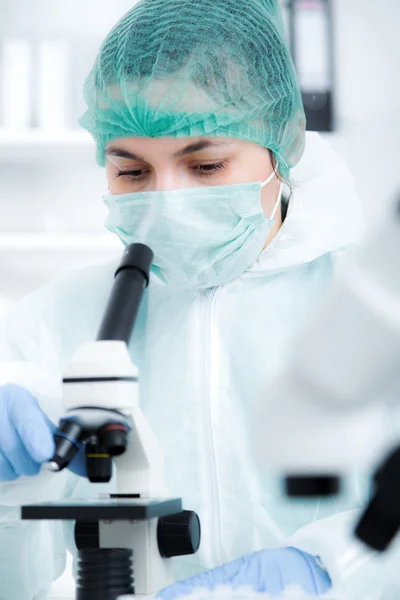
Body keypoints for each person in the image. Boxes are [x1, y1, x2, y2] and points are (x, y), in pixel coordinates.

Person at [0, 1, 366, 599]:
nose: (166, 200)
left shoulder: (375, 308)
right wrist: (5, 499)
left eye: (206, 164)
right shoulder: (53, 322)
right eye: (133, 173)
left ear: (285, 144)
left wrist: (330, 570)